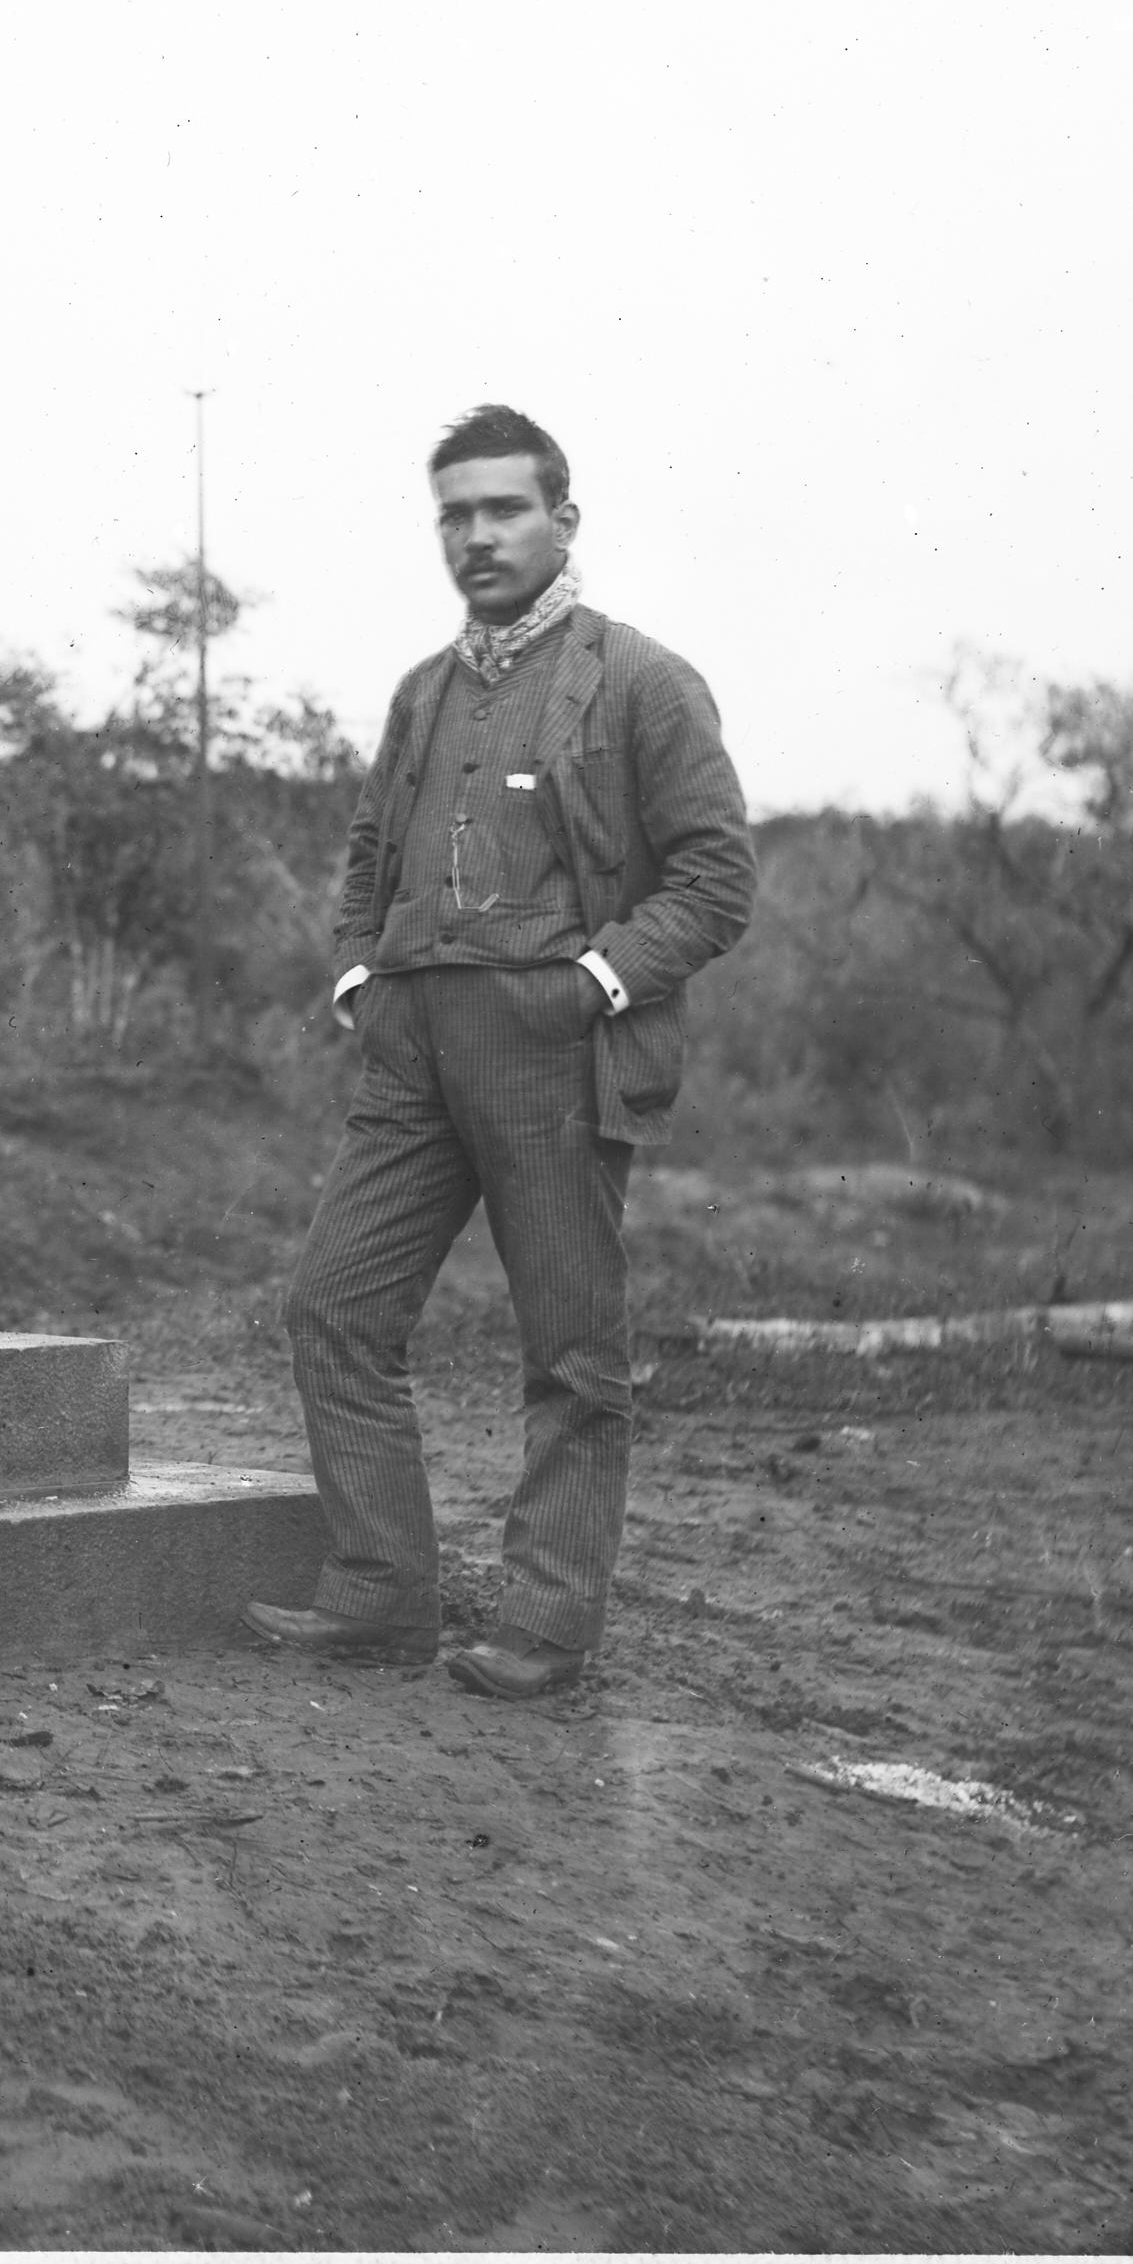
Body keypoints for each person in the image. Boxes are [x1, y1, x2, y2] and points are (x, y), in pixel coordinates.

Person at [251, 402, 755, 1701]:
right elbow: (370, 850)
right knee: (335, 1307)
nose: (475, 536)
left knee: (570, 1352)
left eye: (502, 508)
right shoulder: (423, 692)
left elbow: (714, 878)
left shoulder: (640, 679)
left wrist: (590, 981)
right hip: (411, 1047)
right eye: (454, 514)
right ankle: (379, 1589)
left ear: (561, 520)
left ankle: (543, 1619)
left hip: (551, 1048)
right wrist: (361, 970)